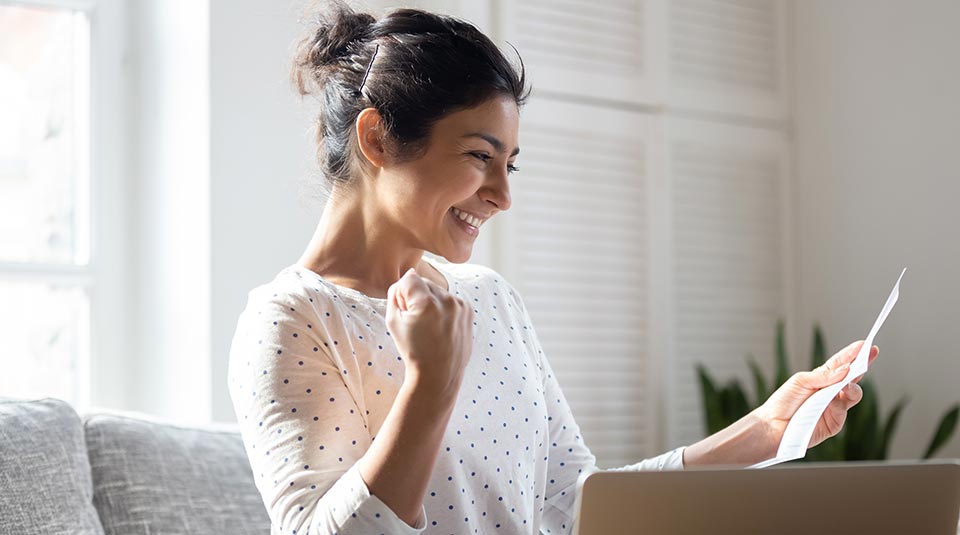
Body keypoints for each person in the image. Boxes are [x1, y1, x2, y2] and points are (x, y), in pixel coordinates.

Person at [226, 2, 878, 534]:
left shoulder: (489, 298)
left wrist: (763, 430)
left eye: (509, 164)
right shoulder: (291, 319)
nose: (502, 195)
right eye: (481, 156)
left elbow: (574, 506)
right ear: (377, 139)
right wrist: (429, 383)